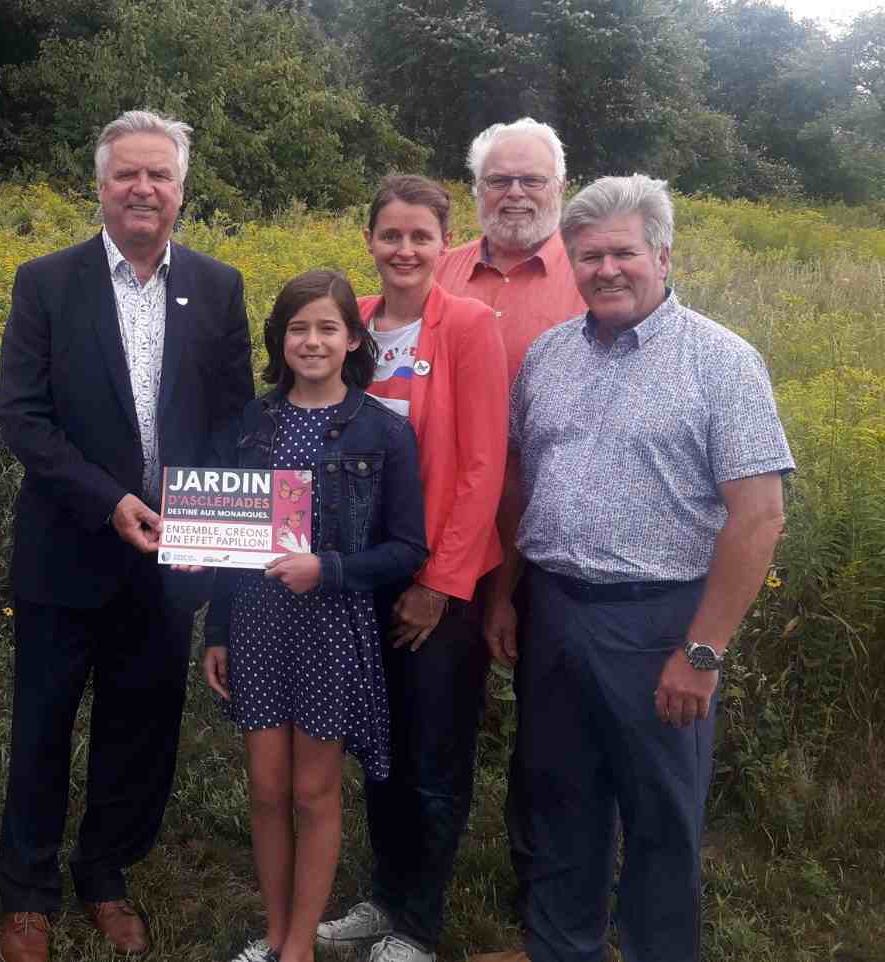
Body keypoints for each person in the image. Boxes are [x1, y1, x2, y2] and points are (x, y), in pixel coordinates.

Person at [469, 176, 793, 962]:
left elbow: (759, 518)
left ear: (662, 254)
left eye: (622, 252)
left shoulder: (722, 361)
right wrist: (507, 597)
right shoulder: (549, 357)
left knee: (660, 821)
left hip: (661, 624)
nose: (606, 269)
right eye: (589, 256)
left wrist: (703, 650)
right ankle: (562, 950)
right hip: (553, 614)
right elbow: (523, 488)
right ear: (571, 264)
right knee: (560, 805)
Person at [0, 109, 254, 962]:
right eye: (126, 175)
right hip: (68, 545)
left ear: (182, 189)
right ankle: (27, 891)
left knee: (142, 726)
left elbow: (231, 422)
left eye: (160, 176)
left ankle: (105, 872)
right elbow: (22, 419)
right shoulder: (46, 281)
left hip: (171, 556)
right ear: (99, 185)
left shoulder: (217, 286)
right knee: (42, 722)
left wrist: (210, 523)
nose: (144, 189)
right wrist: (109, 500)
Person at [202, 269, 428, 962]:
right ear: (279, 339)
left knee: (312, 790)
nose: (312, 340)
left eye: (328, 327)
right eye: (298, 327)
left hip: (331, 627)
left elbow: (407, 549)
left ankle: (300, 946)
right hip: (257, 623)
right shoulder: (250, 423)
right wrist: (215, 631)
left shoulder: (382, 431)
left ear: (353, 339)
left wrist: (326, 570)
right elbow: (225, 537)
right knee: (267, 788)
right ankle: (272, 934)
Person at [314, 175, 509, 961]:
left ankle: (419, 925)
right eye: (390, 235)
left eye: (420, 237)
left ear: (444, 243)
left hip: (441, 582)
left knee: (433, 753)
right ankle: (381, 897)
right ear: (369, 241)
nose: (404, 250)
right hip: (367, 574)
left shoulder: (467, 324)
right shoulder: (352, 321)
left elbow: (483, 465)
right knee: (380, 746)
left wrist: (439, 583)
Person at [434, 118, 584, 384]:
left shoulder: (591, 276)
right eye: (499, 181)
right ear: (478, 189)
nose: (515, 192)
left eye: (532, 180)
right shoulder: (438, 272)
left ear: (560, 187)